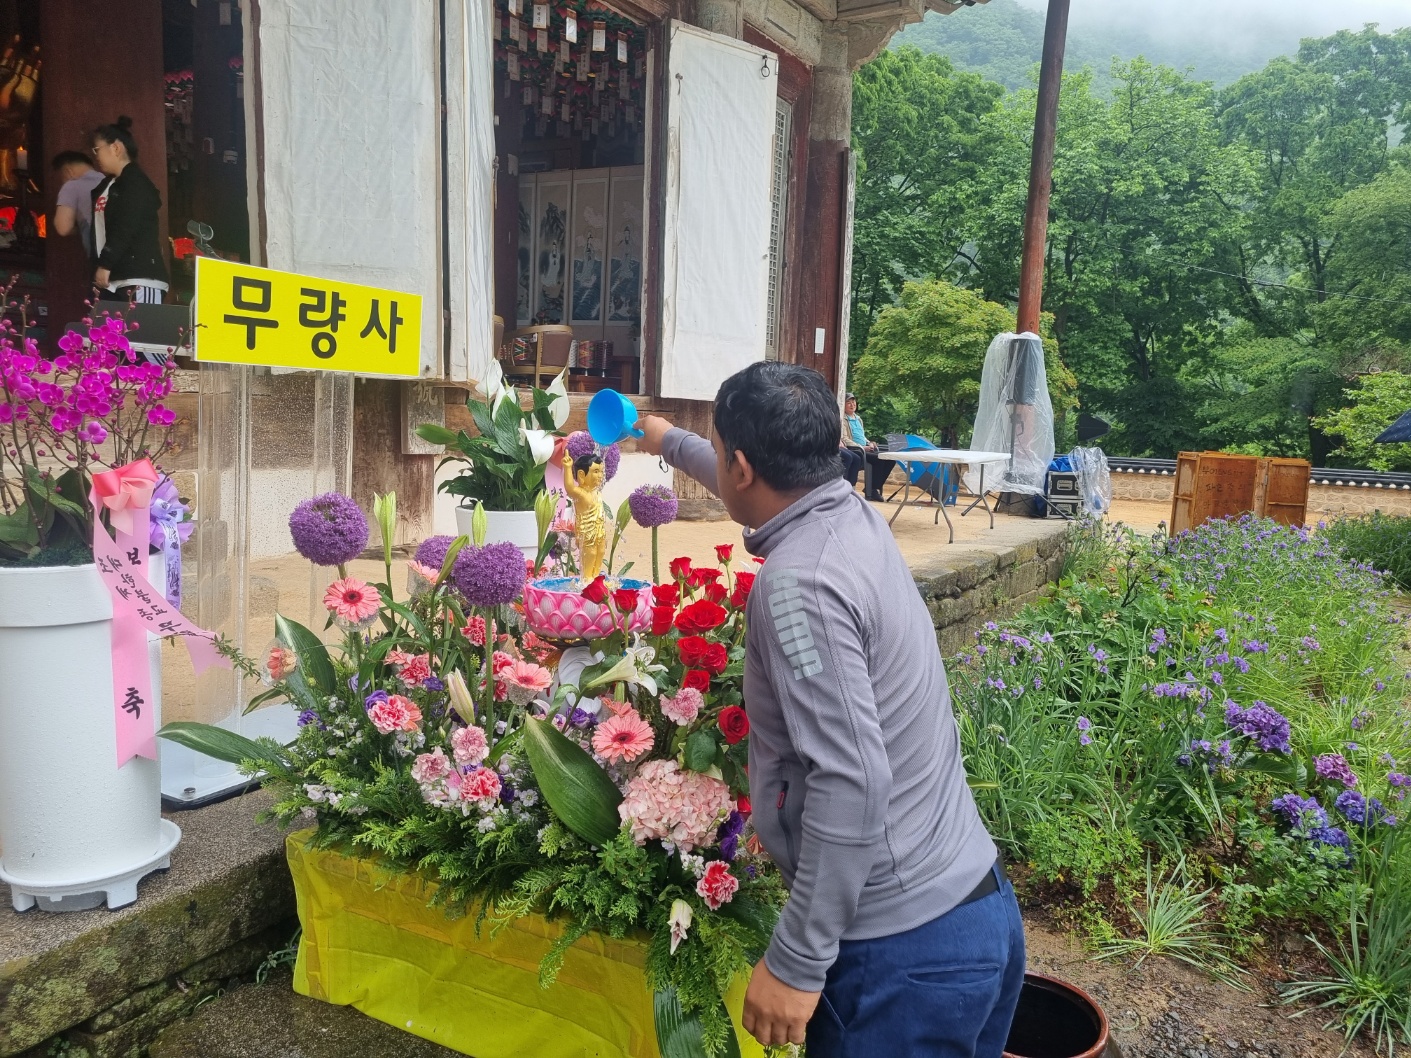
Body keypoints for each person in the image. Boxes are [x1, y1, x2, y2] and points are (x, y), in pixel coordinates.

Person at [639, 363, 1024, 1058]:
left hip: (902, 959)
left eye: (719, 453)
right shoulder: (846, 513)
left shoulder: (799, 588)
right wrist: (666, 439)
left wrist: (796, 961)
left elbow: (852, 780)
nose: (720, 465)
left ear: (743, 466)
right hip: (972, 908)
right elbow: (746, 482)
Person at [89, 117, 169, 304]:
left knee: (139, 324)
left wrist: (105, 263)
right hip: (113, 279)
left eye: (97, 149)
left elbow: (126, 225)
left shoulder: (135, 182)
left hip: (139, 278)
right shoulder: (109, 184)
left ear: (116, 148)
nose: (96, 156)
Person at [50, 150, 105, 256]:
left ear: (68, 171)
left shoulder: (72, 186)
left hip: (102, 256)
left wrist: (79, 226)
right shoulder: (109, 182)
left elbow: (63, 228)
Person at [842, 393, 894, 502]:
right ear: (844, 405)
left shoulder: (858, 419)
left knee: (890, 459)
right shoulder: (843, 419)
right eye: (848, 403)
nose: (852, 405)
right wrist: (862, 447)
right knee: (878, 460)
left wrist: (869, 442)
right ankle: (872, 490)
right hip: (855, 450)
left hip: (864, 448)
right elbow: (845, 439)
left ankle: (874, 487)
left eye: (853, 402)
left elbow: (862, 436)